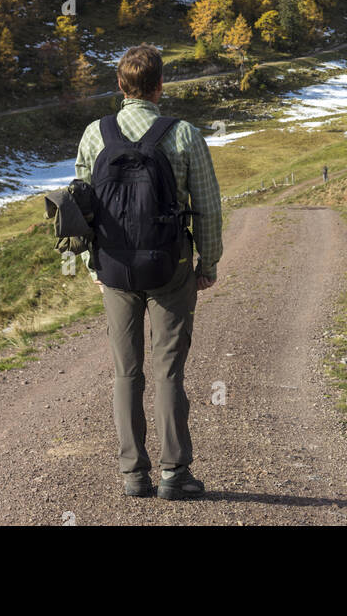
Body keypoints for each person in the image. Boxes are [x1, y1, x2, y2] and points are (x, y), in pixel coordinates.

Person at [74, 44, 223, 500]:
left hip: (115, 269)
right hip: (171, 267)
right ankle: (174, 474)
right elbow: (208, 207)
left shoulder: (95, 134)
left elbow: (79, 205)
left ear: (120, 86)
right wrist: (207, 264)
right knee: (168, 372)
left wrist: (90, 262)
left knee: (126, 372)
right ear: (161, 86)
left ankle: (133, 475)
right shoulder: (183, 135)